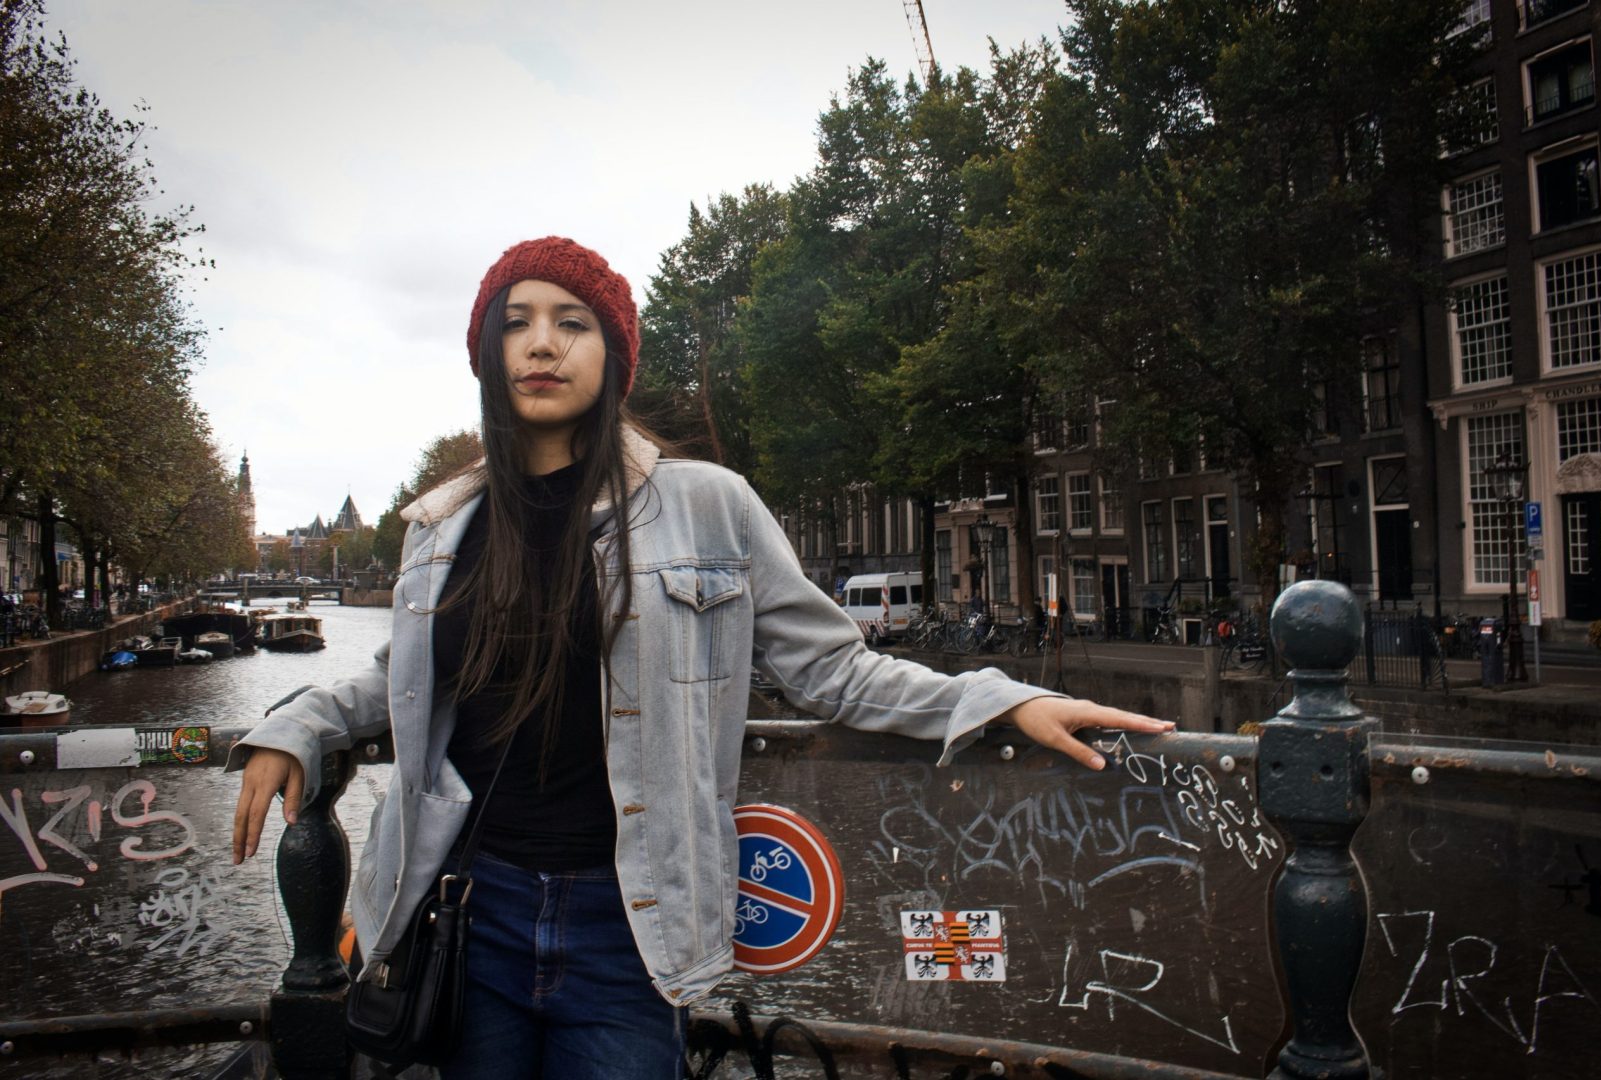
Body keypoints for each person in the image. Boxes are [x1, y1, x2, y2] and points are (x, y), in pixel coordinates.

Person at [229, 237, 1171, 1079]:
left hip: (631, 920)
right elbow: (402, 677)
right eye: (515, 324)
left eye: (572, 323)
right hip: (474, 908)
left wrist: (995, 702)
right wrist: (300, 724)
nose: (542, 344)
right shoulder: (445, 529)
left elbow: (832, 671)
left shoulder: (707, 505)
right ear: (487, 356)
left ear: (615, 357)